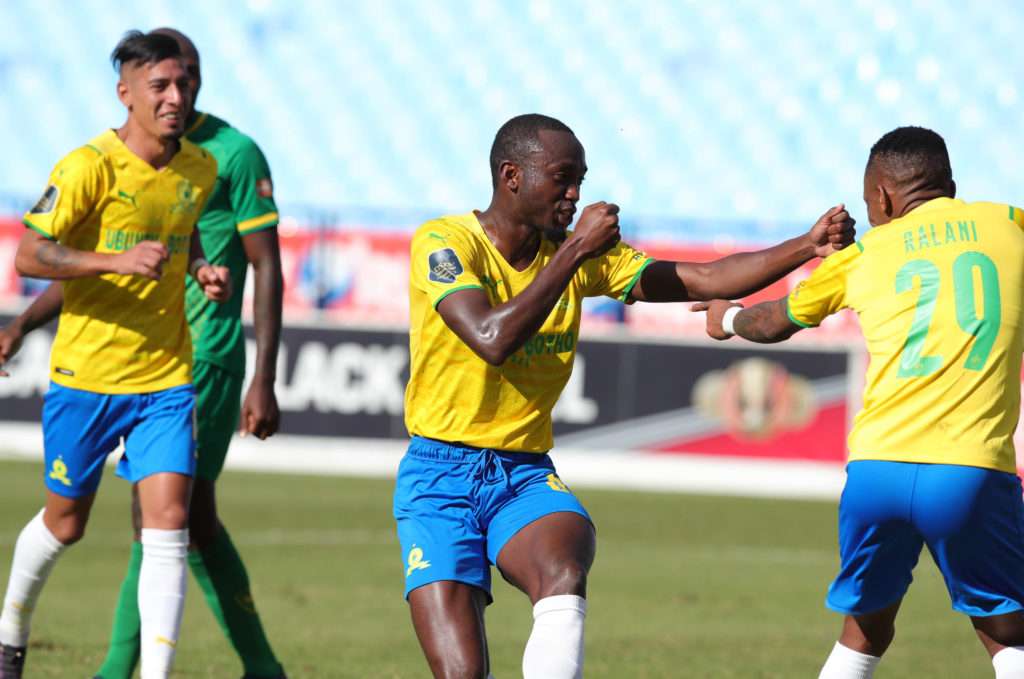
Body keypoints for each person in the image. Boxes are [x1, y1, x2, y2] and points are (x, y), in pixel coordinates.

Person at [395, 112, 856, 679]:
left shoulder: (578, 254)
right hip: (439, 475)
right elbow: (491, 338)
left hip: (523, 474)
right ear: (511, 175)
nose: (575, 195)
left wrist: (805, 246)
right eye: (562, 178)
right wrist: (574, 254)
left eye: (581, 181)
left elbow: (707, 279)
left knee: (563, 572)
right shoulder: (444, 242)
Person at [0, 28, 287, 679]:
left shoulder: (203, 166)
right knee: (65, 524)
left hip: (168, 378)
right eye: (161, 84)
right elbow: (30, 252)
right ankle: (10, 631)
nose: (176, 95)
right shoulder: (84, 167)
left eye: (184, 82)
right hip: (88, 374)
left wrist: (203, 271)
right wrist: (109, 262)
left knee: (168, 524)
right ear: (125, 92)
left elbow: (175, 243)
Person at [694, 126, 1024, 679]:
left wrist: (725, 318)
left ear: (884, 197)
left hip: (877, 471)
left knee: (863, 632)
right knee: (1008, 632)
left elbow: (774, 322)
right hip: (969, 469)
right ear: (951, 185)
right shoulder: (1010, 224)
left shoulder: (867, 252)